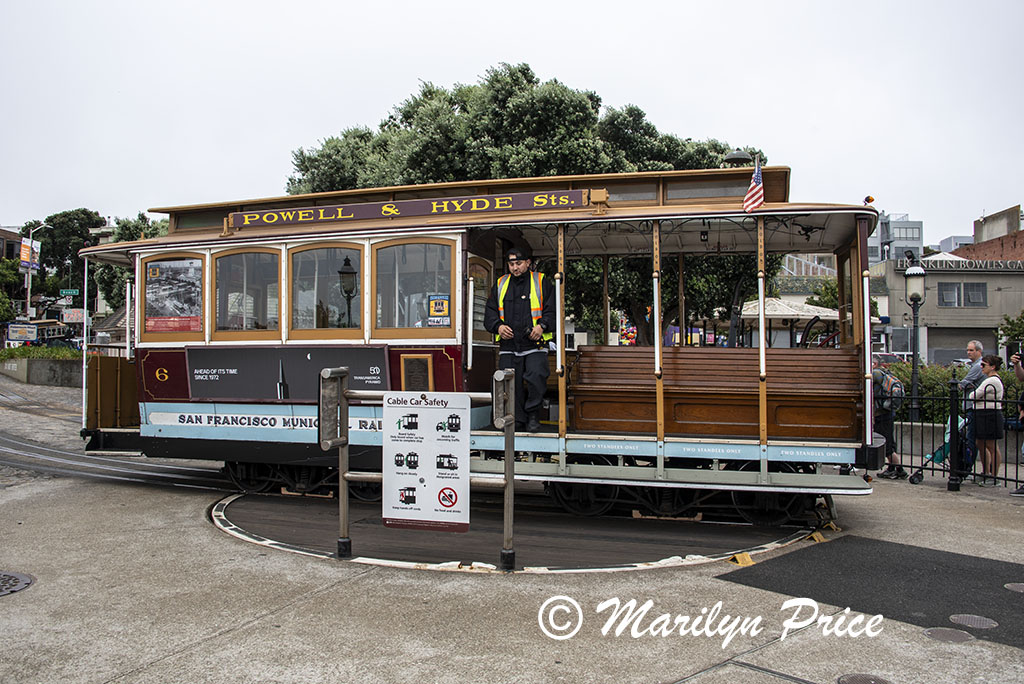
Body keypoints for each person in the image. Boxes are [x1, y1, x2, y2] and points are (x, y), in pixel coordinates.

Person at [483, 246, 554, 432]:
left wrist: (542, 326)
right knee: (508, 384)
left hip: (535, 344)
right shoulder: (500, 284)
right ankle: (517, 419)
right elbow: (490, 312)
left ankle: (532, 417)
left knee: (536, 378)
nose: (515, 268)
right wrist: (498, 326)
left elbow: (552, 309)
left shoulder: (541, 281)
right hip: (509, 345)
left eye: (519, 263)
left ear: (528, 263)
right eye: (511, 264)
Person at [968, 355, 1004, 487]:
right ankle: (986, 472)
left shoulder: (991, 381)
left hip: (989, 414)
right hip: (983, 414)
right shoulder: (988, 380)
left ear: (992, 367)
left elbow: (974, 395)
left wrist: (975, 394)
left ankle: (993, 476)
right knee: (980, 443)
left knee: (991, 445)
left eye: (984, 365)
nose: (981, 367)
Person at [872, 355, 906, 479]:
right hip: (887, 413)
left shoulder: (876, 374)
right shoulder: (884, 374)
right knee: (889, 443)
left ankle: (900, 470)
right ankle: (892, 468)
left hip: (882, 414)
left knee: (887, 446)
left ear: (874, 364)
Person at [958, 340, 985, 473]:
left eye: (971, 350)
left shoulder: (978, 366)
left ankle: (967, 469)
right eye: (968, 350)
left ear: (979, 351)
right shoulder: (974, 365)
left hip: (973, 407)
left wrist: (963, 384)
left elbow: (962, 384)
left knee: (971, 439)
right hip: (971, 406)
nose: (968, 352)